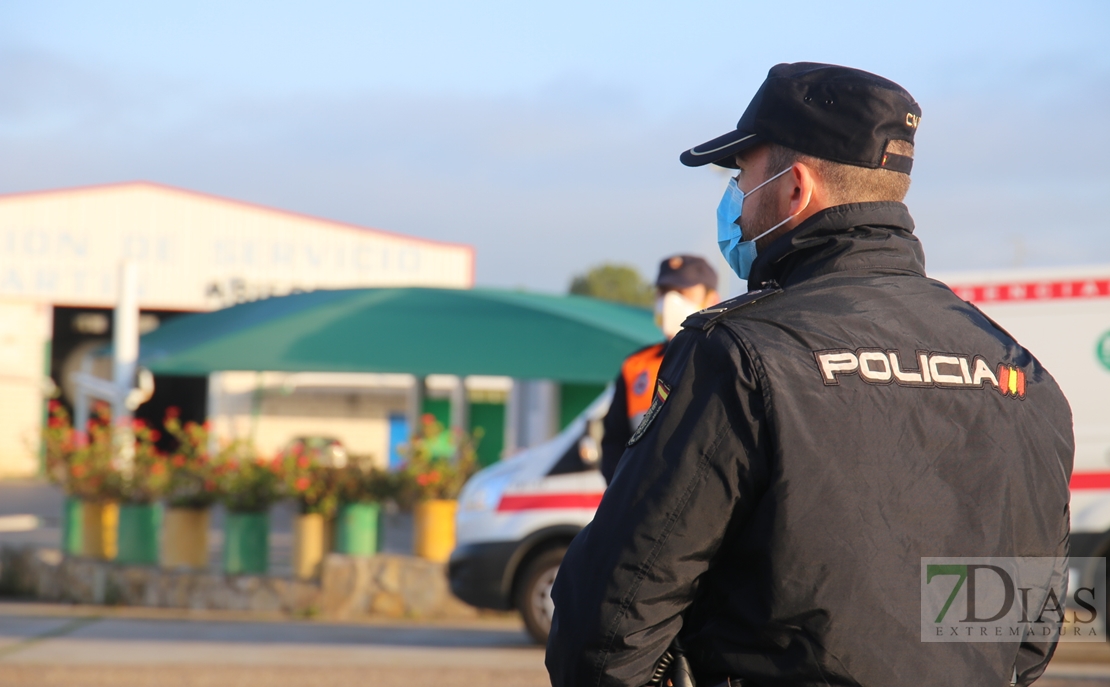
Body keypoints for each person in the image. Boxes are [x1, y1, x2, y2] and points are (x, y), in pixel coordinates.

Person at [547, 62, 1073, 687]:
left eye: (740, 175)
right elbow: (1025, 639)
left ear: (795, 189)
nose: (733, 202)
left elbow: (606, 629)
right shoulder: (1021, 374)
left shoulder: (738, 352)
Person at [601, 255, 719, 485]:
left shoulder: (729, 359)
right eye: (664, 291)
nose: (669, 301)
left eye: (682, 292)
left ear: (712, 300)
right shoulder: (635, 366)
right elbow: (614, 442)